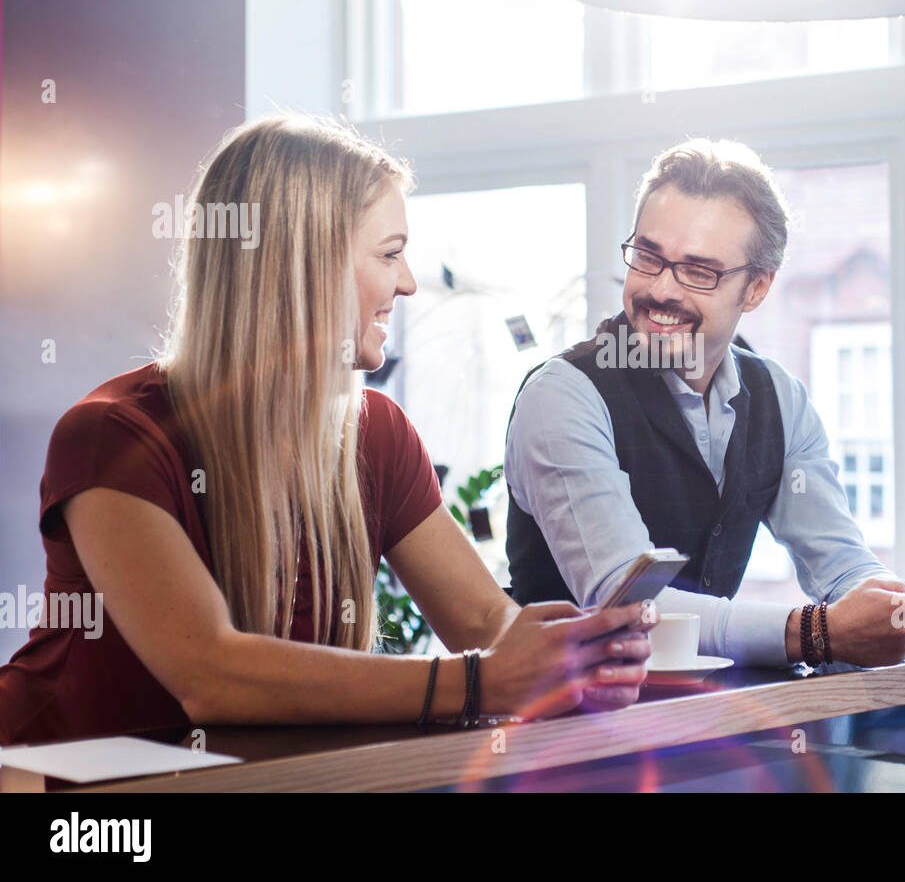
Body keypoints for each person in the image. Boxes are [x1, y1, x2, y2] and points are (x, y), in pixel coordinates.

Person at [0, 114, 652, 748]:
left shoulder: (377, 435)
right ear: (302, 264)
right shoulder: (113, 436)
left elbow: (484, 621)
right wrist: (482, 680)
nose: (408, 282)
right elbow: (211, 674)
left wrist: (568, 656)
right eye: (390, 253)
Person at [504, 139, 905, 669]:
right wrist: (815, 633)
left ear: (757, 287)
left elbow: (841, 566)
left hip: (716, 727)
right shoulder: (563, 395)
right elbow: (627, 605)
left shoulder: (779, 398)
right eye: (648, 257)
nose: (661, 289)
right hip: (561, 731)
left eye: (698, 271)